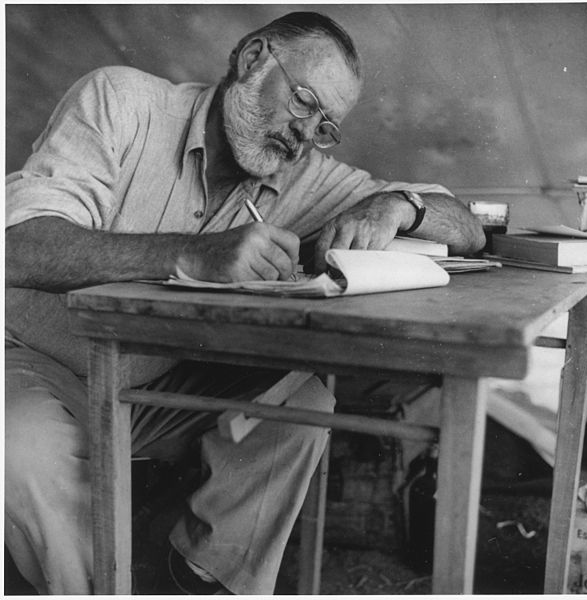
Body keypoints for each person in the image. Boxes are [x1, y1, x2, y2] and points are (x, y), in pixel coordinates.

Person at [5, 11, 485, 595]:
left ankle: (206, 579)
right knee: (22, 445)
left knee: (304, 402)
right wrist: (191, 255)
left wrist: (398, 206)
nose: (305, 134)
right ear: (253, 58)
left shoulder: (303, 173)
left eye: (326, 125)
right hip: (34, 361)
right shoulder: (121, 100)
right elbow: (20, 247)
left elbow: (466, 224)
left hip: (151, 388)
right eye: (304, 102)